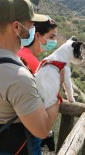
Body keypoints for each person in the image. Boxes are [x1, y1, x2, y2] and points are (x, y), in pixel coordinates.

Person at [0, 0, 61, 155]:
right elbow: (42, 130)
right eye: (31, 25)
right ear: (16, 27)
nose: (33, 29)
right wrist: (55, 94)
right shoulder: (18, 77)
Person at [17, 16, 59, 152]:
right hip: (26, 137)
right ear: (38, 36)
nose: (54, 41)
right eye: (51, 37)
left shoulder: (20, 52)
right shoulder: (35, 65)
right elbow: (49, 100)